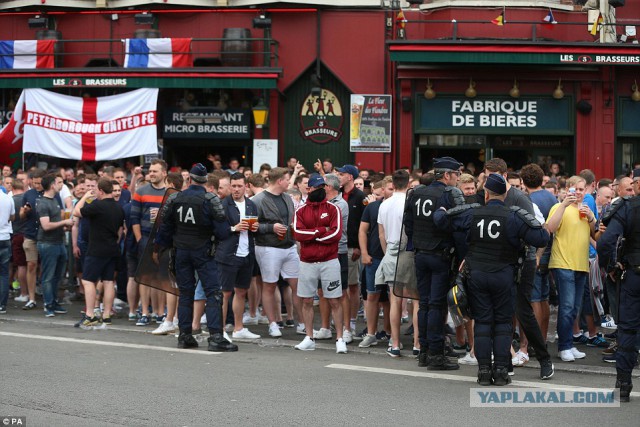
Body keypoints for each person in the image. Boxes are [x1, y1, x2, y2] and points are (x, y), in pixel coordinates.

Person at [434, 173, 550, 386]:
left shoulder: (473, 213)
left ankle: (484, 371)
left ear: (485, 193)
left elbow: (441, 220)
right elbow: (542, 237)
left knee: (483, 323)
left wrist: (442, 210)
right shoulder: (514, 215)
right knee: (503, 324)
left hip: (477, 276)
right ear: (506, 194)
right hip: (504, 276)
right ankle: (501, 371)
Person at [155, 163, 237, 351]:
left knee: (185, 293)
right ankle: (215, 337)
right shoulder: (210, 200)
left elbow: (164, 227)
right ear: (205, 181)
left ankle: (185, 335)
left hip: (180, 252)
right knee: (213, 293)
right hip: (203, 252)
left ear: (189, 179)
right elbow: (223, 231)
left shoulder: (175, 198)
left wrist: (161, 248)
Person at [404, 156, 465, 370]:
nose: (458, 178)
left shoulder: (416, 192)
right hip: (441, 254)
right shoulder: (449, 194)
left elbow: (408, 225)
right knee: (436, 306)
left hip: (421, 254)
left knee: (425, 304)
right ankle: (436, 355)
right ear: (447, 175)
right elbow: (459, 227)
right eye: (457, 174)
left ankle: (424, 351)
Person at [292, 173, 346, 353]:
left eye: (323, 187)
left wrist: (312, 236)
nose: (321, 190)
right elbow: (298, 234)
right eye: (317, 187)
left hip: (329, 260)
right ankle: (309, 337)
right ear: (309, 189)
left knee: (334, 300)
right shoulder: (300, 210)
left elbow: (336, 234)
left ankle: (340, 338)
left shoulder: (333, 209)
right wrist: (321, 231)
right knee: (306, 300)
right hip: (307, 261)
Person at [597, 185, 640, 402]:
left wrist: (610, 266)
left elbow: (605, 242)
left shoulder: (627, 207)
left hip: (633, 273)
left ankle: (623, 383)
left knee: (628, 331)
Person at [547, 175, 596, 362]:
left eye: (582, 189)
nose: (580, 193)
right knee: (567, 307)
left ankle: (568, 344)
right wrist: (563, 205)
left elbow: (593, 233)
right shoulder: (558, 207)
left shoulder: (586, 209)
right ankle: (564, 346)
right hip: (562, 262)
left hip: (581, 263)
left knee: (575, 309)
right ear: (568, 190)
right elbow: (550, 228)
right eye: (576, 189)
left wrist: (591, 217)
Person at [252, 167, 301, 338]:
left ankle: (302, 323)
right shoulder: (258, 200)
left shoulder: (287, 198)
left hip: (289, 246)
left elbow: (291, 220)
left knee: (298, 286)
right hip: (268, 248)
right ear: (280, 181)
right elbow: (251, 226)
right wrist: (270, 227)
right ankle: (272, 323)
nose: (290, 182)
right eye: (288, 179)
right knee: (269, 285)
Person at [73, 178, 125, 328]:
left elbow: (77, 212)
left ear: (101, 191)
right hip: (112, 248)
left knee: (88, 281)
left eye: (96, 190)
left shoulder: (98, 205)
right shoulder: (118, 208)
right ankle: (106, 314)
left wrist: (85, 196)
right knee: (108, 281)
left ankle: (90, 315)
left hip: (97, 249)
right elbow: (120, 230)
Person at [216, 173, 261, 340]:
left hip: (246, 253)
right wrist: (234, 228)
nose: (236, 189)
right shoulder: (222, 205)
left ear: (246, 186)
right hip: (228, 255)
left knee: (241, 292)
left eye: (239, 186)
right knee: (225, 293)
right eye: (233, 186)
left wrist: (255, 228)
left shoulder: (251, 205)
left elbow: (253, 231)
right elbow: (216, 231)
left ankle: (238, 328)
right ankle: (220, 331)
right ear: (229, 186)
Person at [376, 170, 412, 358]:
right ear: (408, 183)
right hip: (409, 251)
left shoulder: (385, 204)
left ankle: (395, 343)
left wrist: (386, 253)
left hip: (390, 250)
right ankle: (418, 344)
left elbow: (381, 234)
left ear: (394, 183)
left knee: (394, 299)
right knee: (416, 300)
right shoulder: (410, 202)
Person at [131, 159, 167, 326]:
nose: (151, 174)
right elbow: (134, 218)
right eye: (150, 171)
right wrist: (139, 240)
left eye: (155, 171)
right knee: (145, 276)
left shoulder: (171, 193)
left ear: (164, 173)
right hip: (145, 237)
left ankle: (160, 313)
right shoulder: (141, 191)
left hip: (163, 239)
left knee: (161, 278)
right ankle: (144, 312)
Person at [36, 174, 74, 317]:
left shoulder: (55, 200)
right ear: (52, 185)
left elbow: (54, 224)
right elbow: (45, 225)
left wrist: (65, 227)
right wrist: (64, 223)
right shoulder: (43, 203)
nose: (61, 185)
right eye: (59, 182)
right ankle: (48, 304)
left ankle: (54, 302)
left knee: (57, 276)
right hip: (48, 243)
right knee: (48, 276)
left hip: (58, 242)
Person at [336, 164, 366, 337]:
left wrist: (359, 247)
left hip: (352, 247)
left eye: (342, 174)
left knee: (353, 286)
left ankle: (352, 321)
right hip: (336, 246)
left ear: (350, 177)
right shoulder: (337, 195)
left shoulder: (360, 197)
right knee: (339, 286)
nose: (339, 176)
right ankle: (341, 319)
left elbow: (363, 225)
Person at [0, 186, 14, 314]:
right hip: (4, 237)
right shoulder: (8, 198)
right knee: (4, 273)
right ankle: (2, 305)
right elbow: (12, 217)